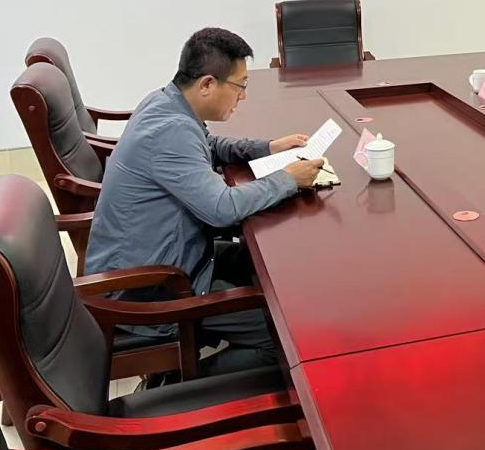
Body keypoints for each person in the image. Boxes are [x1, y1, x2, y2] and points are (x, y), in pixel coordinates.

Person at [85, 27, 325, 373]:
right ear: (208, 84)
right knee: (285, 339)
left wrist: (267, 148)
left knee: (272, 265)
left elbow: (208, 146)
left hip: (174, 255)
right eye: (240, 86)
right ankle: (181, 385)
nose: (243, 96)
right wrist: (288, 179)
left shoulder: (165, 102)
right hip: (152, 289)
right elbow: (222, 209)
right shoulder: (171, 131)